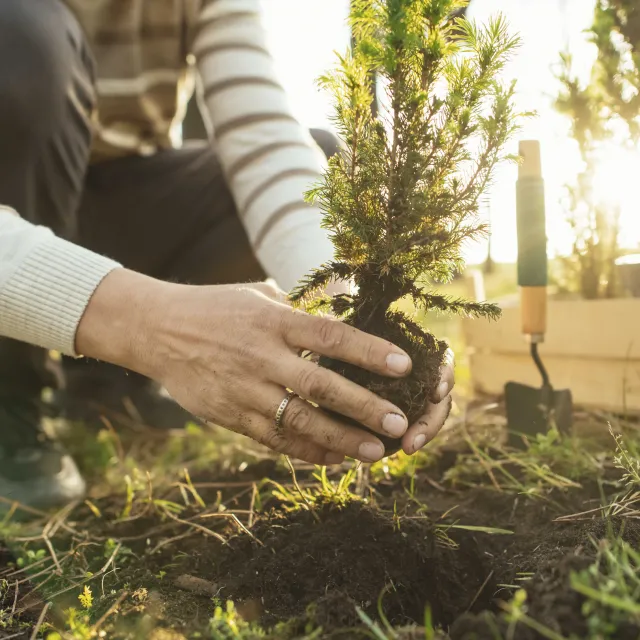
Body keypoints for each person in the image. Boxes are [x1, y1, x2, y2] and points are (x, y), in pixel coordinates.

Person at [0, 0, 455, 511]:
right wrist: (154, 326)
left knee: (316, 155)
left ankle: (104, 384)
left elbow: (263, 142)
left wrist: (342, 315)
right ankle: (12, 401)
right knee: (18, 41)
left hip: (118, 201)